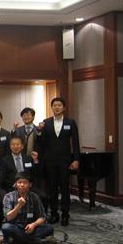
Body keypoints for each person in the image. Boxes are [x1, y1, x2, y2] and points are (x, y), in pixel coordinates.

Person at [37, 97, 80, 226]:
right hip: (50, 162)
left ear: (64, 107)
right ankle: (54, 213)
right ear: (51, 108)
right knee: (52, 189)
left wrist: (76, 159)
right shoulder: (46, 123)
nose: (57, 107)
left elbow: (76, 143)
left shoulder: (70, 122)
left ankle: (65, 214)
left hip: (65, 161)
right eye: (54, 105)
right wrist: (39, 131)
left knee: (65, 189)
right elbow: (42, 143)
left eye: (59, 105)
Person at [2, 173, 57, 244]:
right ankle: (36, 241)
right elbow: (8, 217)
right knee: (6, 227)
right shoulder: (9, 196)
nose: (22, 185)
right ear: (15, 184)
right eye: (19, 182)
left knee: (49, 228)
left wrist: (34, 224)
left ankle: (17, 239)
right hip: (15, 226)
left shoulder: (35, 197)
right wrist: (19, 206)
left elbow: (42, 217)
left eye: (25, 183)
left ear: (30, 185)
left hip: (30, 228)